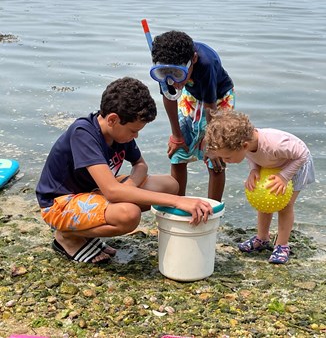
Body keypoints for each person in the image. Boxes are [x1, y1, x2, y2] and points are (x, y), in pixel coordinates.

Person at [36, 77, 213, 264]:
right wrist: (178, 202)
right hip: (59, 204)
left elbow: (141, 165)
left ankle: (85, 233)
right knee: (129, 215)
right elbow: (112, 192)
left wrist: (129, 186)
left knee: (169, 185)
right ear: (113, 119)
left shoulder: (119, 134)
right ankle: (67, 236)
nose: (135, 136)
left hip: (92, 193)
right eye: (133, 130)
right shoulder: (83, 134)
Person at [204, 110, 315, 264]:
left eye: (227, 157)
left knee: (285, 206)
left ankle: (282, 245)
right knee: (263, 201)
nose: (224, 161)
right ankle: (262, 238)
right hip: (272, 163)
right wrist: (254, 170)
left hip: (294, 165)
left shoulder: (275, 144)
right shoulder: (247, 144)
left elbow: (302, 154)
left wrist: (284, 177)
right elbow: (252, 155)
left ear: (244, 145)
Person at [150, 30, 235, 202]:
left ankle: (212, 209)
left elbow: (211, 106)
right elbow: (169, 96)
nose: (172, 81)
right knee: (178, 152)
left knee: (216, 157)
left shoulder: (206, 63)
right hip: (191, 96)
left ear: (193, 59)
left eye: (179, 74)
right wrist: (176, 135)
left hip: (218, 99)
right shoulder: (165, 65)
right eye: (166, 74)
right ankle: (178, 204)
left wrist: (211, 141)